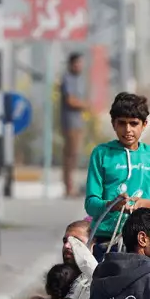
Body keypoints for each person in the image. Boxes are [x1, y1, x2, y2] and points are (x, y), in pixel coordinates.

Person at [84, 93, 150, 257]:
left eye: (134, 123)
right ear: (113, 124)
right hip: (108, 241)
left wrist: (145, 204)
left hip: (144, 241)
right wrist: (112, 205)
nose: (128, 130)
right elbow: (91, 204)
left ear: (144, 124)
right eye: (122, 123)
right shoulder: (101, 154)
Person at [60, 52, 89, 197]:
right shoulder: (67, 79)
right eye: (76, 63)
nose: (79, 66)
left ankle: (72, 185)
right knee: (69, 154)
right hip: (69, 121)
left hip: (79, 121)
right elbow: (70, 100)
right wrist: (84, 105)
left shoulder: (81, 79)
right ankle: (68, 186)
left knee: (75, 154)